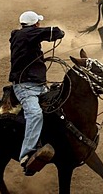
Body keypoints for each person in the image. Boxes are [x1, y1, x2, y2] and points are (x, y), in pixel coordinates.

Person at [9, 11, 65, 174]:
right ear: (35, 24)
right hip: (26, 87)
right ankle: (27, 154)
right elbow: (56, 32)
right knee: (35, 114)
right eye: (38, 23)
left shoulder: (22, 36)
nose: (39, 25)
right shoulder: (27, 34)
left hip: (38, 85)